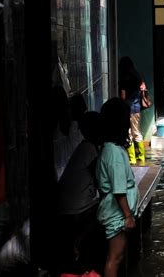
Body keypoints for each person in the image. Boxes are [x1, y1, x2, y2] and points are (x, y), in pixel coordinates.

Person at [96, 97, 140, 277]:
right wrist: (128, 216)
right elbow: (119, 189)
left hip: (117, 213)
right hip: (117, 215)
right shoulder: (113, 152)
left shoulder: (110, 148)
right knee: (115, 258)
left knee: (117, 257)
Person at [56, 111, 103, 273]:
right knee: (106, 210)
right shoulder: (90, 149)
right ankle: (79, 244)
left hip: (69, 207)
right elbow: (101, 182)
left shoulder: (85, 148)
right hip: (75, 210)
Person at [118, 56, 146, 164]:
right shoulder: (138, 77)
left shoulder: (124, 78)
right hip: (137, 108)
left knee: (129, 133)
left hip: (127, 109)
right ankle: (142, 156)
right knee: (137, 132)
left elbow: (123, 97)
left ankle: (132, 158)